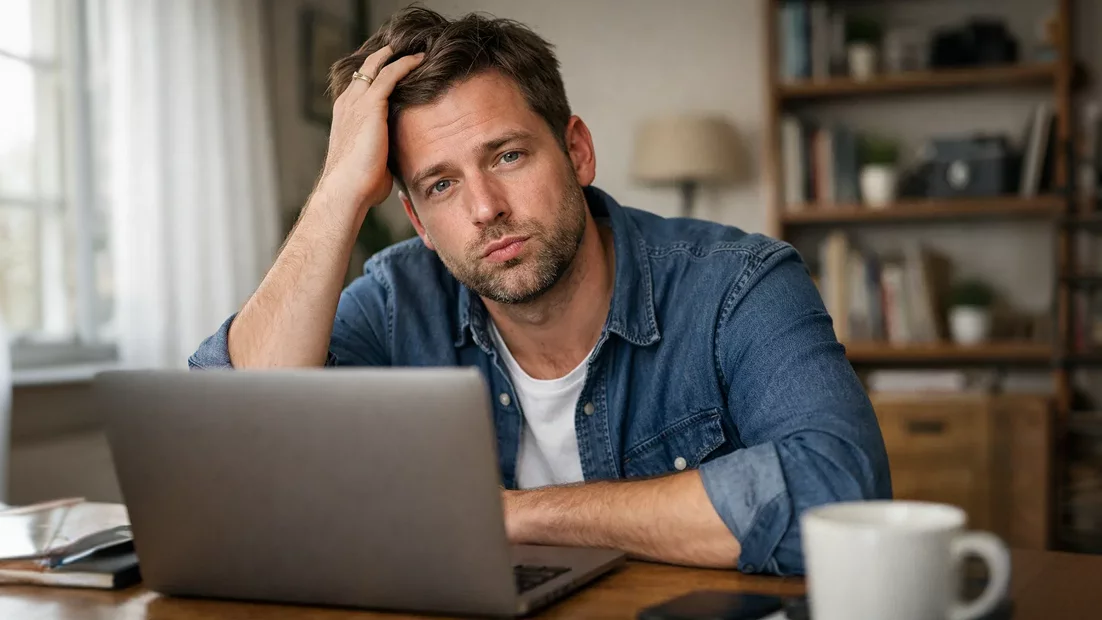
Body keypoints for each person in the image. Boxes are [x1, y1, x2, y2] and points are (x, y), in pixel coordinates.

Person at [190, 6, 891, 575]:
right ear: (417, 220)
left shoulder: (738, 286)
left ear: (577, 151)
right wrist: (339, 191)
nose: (484, 207)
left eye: (508, 155)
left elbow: (840, 494)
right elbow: (230, 448)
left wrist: (515, 514)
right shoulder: (400, 300)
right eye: (441, 184)